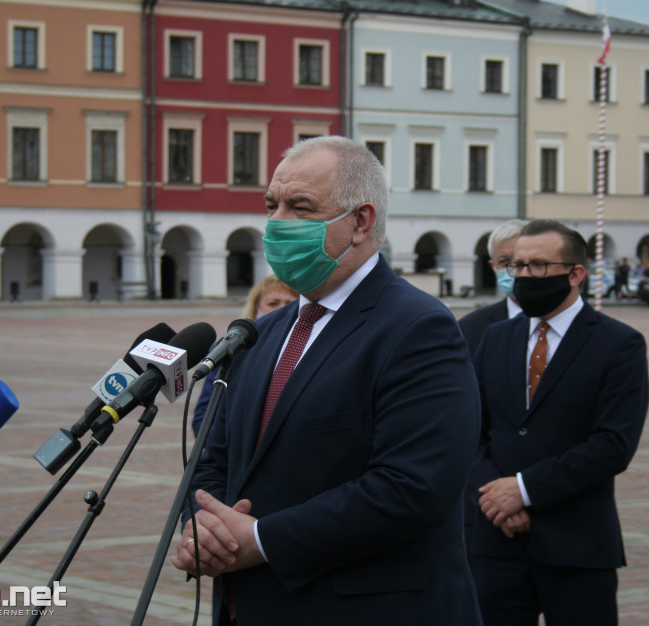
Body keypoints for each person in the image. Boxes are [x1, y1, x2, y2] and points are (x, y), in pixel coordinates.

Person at [171, 135, 482, 625]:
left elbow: (412, 487)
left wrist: (262, 540)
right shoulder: (259, 333)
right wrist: (202, 527)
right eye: (271, 205)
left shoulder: (418, 328)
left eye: (300, 207)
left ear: (360, 222)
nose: (276, 223)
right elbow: (213, 458)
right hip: (247, 605)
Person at [468, 219, 649, 626]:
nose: (524, 276)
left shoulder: (619, 344)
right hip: (498, 542)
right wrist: (497, 497)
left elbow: (613, 443)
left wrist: (525, 490)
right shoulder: (495, 338)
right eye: (517, 266)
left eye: (537, 266)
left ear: (575, 273)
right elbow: (469, 429)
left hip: (577, 544)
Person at [192, 275, 298, 436]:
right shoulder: (231, 350)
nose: (281, 310)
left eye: (289, 304)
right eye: (273, 303)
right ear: (256, 308)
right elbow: (203, 418)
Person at [459, 219, 526, 357]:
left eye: (521, 261)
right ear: (493, 267)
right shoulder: (469, 327)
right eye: (504, 262)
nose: (513, 269)